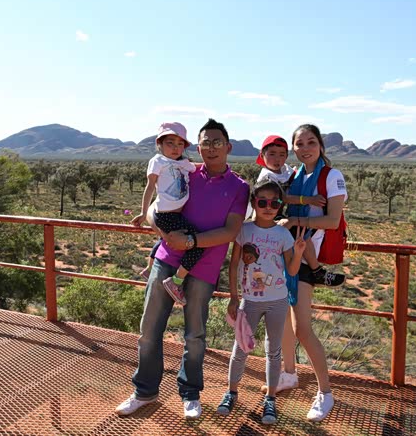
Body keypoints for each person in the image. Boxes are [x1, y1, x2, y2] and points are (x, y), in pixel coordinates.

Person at [116, 118, 250, 420]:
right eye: (206, 143)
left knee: (195, 335)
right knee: (149, 329)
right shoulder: (184, 172)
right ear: (198, 148)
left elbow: (231, 231)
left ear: (228, 147)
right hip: (167, 258)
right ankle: (144, 391)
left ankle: (190, 394)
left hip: (205, 267)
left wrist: (190, 241)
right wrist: (162, 231)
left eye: (217, 142)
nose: (211, 148)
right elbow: (156, 209)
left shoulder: (240, 187)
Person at [272, 124, 348, 422]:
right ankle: (289, 374)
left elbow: (332, 221)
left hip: (304, 257)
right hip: (286, 254)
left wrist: (294, 221)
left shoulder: (332, 176)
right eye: (299, 143)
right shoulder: (296, 176)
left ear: (320, 146)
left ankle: (325, 393)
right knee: (284, 323)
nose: (305, 148)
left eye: (311, 142)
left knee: (302, 328)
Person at [216, 180, 306, 425]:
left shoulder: (282, 234)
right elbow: (234, 264)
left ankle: (270, 399)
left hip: (278, 300)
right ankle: (231, 392)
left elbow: (292, 270)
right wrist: (234, 297)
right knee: (240, 348)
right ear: (254, 203)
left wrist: (298, 252)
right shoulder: (244, 230)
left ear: (280, 206)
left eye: (275, 203)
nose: (268, 207)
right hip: (250, 301)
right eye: (262, 202)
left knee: (273, 351)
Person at [131, 122, 200, 305]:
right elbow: (149, 187)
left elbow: (199, 167)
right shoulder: (158, 161)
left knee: (165, 240)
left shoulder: (184, 163)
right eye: (170, 143)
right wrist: (143, 213)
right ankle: (176, 281)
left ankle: (149, 269)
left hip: (176, 216)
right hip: (166, 215)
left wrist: (226, 169)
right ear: (159, 144)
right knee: (198, 242)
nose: (175, 148)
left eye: (180, 144)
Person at [255, 135, 340, 285]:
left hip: (278, 214)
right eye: (272, 154)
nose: (277, 159)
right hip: (268, 216)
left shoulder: (285, 170)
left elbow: (294, 177)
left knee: (300, 232)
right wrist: (309, 200)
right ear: (262, 155)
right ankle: (316, 271)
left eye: (282, 155)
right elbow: (284, 198)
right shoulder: (267, 176)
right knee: (299, 232)